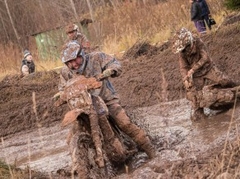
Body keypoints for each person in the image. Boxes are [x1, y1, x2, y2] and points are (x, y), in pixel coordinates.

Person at [58, 40, 156, 159]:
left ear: (81, 54)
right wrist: (60, 95)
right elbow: (62, 88)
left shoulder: (97, 57)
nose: (74, 65)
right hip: (83, 107)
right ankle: (79, 164)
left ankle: (151, 151)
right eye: (69, 62)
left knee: (124, 123)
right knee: (71, 136)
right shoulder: (65, 72)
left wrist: (110, 70)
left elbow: (115, 63)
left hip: (106, 100)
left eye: (75, 60)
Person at [172, 27, 238, 121]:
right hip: (196, 75)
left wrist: (193, 69)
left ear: (190, 42)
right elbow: (183, 67)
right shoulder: (182, 52)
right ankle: (199, 115)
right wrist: (185, 79)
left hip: (208, 68)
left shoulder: (198, 41)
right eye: (183, 49)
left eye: (186, 47)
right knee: (194, 94)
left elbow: (205, 58)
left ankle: (236, 88)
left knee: (225, 81)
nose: (184, 51)